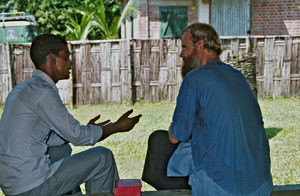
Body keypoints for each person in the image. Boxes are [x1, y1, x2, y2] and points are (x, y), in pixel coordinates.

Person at [0, 34, 142, 196]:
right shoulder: (43, 92)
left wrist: (87, 130)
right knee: (103, 157)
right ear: (52, 59)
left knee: (62, 150)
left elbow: (52, 138)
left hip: (12, 183)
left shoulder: (24, 89)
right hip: (30, 185)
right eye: (66, 57)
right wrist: (116, 127)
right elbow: (79, 137)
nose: (70, 63)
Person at [143, 23, 273, 195]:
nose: (182, 54)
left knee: (159, 141)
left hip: (222, 185)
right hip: (260, 182)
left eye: (185, 47)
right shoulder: (238, 76)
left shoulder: (194, 79)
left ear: (200, 45)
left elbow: (176, 136)